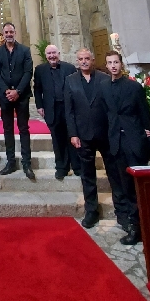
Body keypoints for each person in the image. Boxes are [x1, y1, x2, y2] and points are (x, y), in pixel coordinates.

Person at [64, 48, 127, 230]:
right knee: (88, 175)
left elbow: (111, 109)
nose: (84, 61)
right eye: (80, 59)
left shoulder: (104, 79)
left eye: (87, 58)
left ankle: (121, 211)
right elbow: (69, 111)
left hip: (105, 134)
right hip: (83, 136)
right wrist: (73, 134)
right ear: (77, 61)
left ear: (93, 60)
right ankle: (91, 210)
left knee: (114, 174)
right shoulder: (70, 81)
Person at [103, 50, 150, 245]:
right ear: (106, 66)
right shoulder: (104, 87)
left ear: (121, 64)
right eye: (110, 63)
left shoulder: (134, 88)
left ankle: (144, 225)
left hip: (134, 141)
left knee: (138, 187)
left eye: (116, 62)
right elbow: (104, 115)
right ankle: (133, 225)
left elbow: (145, 115)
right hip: (116, 143)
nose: (113, 66)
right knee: (125, 187)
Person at [0, 22, 34, 180]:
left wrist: (17, 91)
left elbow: (28, 72)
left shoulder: (24, 50)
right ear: (3, 34)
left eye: (11, 31)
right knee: (8, 129)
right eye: (6, 32)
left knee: (24, 129)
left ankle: (27, 163)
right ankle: (10, 162)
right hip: (5, 96)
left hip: (21, 96)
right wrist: (6, 91)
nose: (9, 34)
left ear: (15, 33)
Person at [34, 44, 80, 180]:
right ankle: (61, 168)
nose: (52, 56)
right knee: (57, 139)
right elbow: (37, 89)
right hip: (51, 109)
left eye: (54, 53)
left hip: (68, 108)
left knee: (72, 136)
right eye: (49, 54)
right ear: (46, 55)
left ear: (58, 53)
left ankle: (77, 167)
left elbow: (76, 88)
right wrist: (39, 105)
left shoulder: (70, 68)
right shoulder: (40, 70)